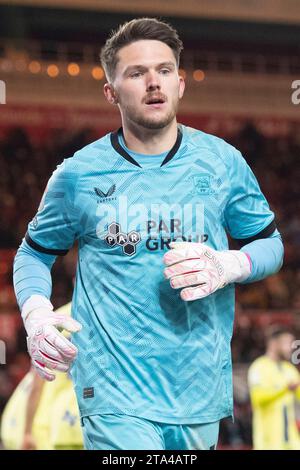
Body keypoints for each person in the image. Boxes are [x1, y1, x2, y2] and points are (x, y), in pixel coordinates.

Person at [13, 17, 284, 450]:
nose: (152, 83)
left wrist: (232, 263)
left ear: (180, 83)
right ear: (112, 91)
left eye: (163, 71)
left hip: (198, 387)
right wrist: (36, 315)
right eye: (136, 73)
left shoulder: (222, 163)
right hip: (113, 389)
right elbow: (32, 254)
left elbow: (271, 245)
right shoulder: (78, 174)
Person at [1, 303, 83, 450]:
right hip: (81, 420)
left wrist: (26, 432)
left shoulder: (57, 317)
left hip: (48, 423)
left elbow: (37, 383)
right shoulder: (107, 314)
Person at [248, 326, 300, 450]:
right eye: (286, 343)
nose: (290, 348)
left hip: (292, 442)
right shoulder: (258, 367)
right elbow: (257, 399)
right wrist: (285, 389)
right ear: (273, 343)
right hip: (267, 443)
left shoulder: (290, 369)